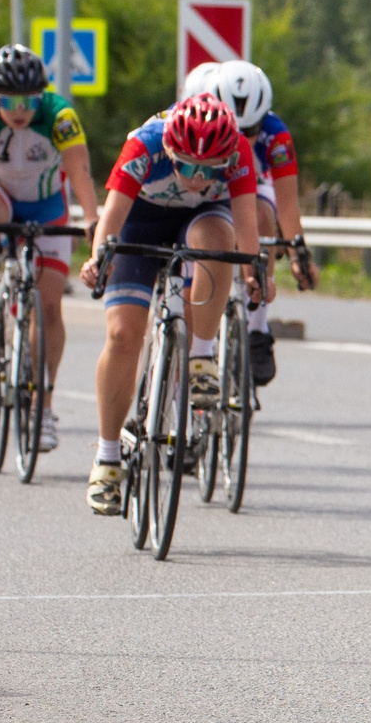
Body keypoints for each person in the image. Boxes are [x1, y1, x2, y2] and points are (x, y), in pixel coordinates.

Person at [76, 92, 266, 516]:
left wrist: (254, 274)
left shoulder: (237, 153)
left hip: (201, 221)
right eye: (186, 165)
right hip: (140, 219)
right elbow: (111, 217)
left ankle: (200, 357)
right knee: (124, 335)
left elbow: (247, 228)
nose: (196, 178)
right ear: (169, 150)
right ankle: (107, 460)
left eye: (208, 169)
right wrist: (97, 258)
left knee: (220, 242)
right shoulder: (144, 144)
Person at [0, 44, 97, 454]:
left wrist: (91, 219)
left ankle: (43, 408)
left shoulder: (60, 117)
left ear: (42, 95)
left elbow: (80, 171)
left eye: (30, 101)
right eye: (9, 102)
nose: (20, 111)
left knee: (49, 305)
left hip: (45, 201)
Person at [184, 60, 314, 385]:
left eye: (252, 130)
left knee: (261, 216)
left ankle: (257, 327)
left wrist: (298, 253)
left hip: (254, 186)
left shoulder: (277, 136)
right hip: (211, 185)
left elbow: (287, 204)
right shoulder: (202, 124)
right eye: (236, 130)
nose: (243, 138)